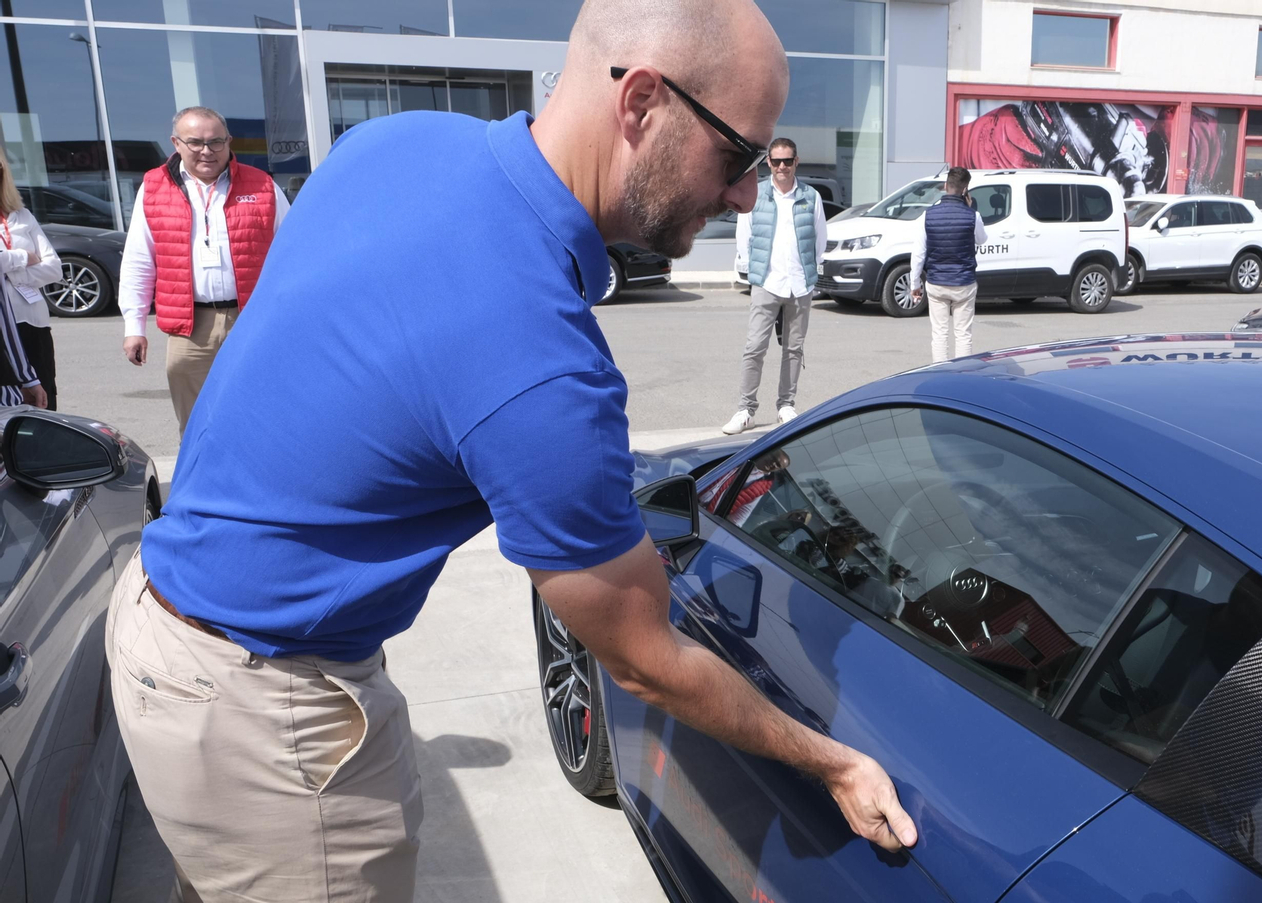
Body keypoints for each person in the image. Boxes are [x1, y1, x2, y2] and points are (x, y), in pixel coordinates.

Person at [104, 2, 914, 900]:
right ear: (642, 100)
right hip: (257, 705)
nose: (748, 195)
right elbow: (644, 659)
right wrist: (834, 762)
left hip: (162, 616)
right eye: (740, 156)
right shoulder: (541, 366)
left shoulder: (398, 142)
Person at [118, 106, 289, 439]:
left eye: (216, 142)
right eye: (195, 142)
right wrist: (133, 325)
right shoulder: (154, 189)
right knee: (196, 424)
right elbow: (140, 260)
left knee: (261, 414)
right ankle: (201, 488)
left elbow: (293, 252)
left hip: (252, 320)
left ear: (229, 142)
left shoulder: (263, 186)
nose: (207, 151)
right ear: (176, 143)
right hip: (189, 327)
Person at [723, 137, 826, 434]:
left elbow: (819, 239)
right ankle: (745, 410)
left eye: (788, 161)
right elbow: (745, 236)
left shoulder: (811, 197)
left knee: (794, 348)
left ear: (796, 162)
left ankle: (786, 405)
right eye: (776, 161)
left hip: (800, 283)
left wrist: (810, 270)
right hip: (767, 282)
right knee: (754, 347)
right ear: (768, 162)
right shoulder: (757, 194)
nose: (782, 166)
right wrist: (750, 269)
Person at [0, 152, 62, 409]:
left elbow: (54, 269)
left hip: (34, 323)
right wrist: (23, 256)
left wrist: (8, 273)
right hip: (4, 331)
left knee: (45, 404)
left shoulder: (22, 215)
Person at [910, 167, 987, 362]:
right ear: (965, 190)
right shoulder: (973, 216)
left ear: (945, 186)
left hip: (937, 282)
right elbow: (982, 239)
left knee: (939, 334)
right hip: (964, 283)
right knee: (963, 335)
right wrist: (970, 210)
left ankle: (940, 374)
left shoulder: (927, 216)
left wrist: (914, 284)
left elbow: (918, 254)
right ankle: (961, 377)